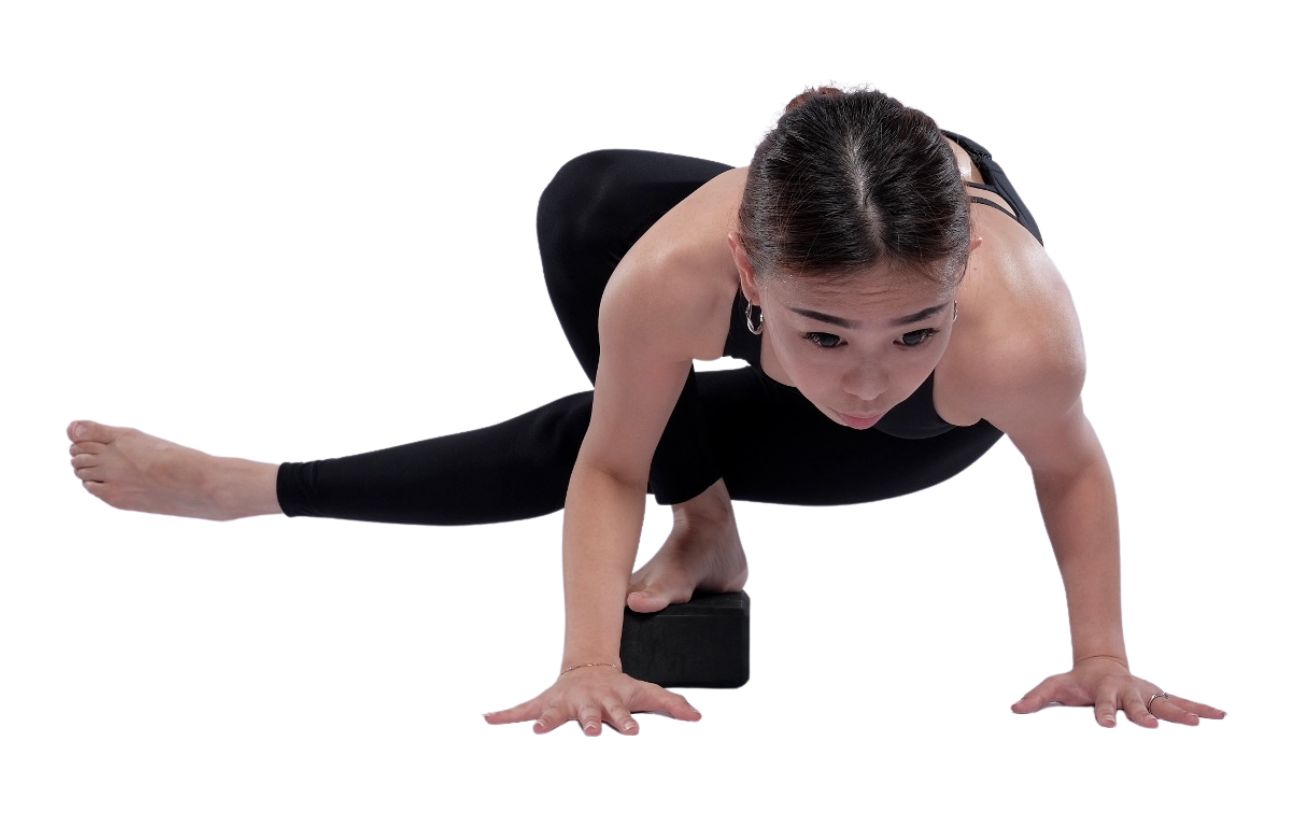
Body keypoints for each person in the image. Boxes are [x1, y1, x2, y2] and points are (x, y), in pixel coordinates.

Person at [66, 84, 1226, 735]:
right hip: (750, 246)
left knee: (595, 425)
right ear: (748, 279)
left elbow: (1069, 467)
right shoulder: (671, 279)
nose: (867, 381)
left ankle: (254, 488)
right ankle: (705, 513)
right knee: (588, 203)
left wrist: (1103, 653)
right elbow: (618, 467)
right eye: (822, 337)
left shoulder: (1012, 339)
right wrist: (585, 659)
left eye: (910, 334)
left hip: (929, 441)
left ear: (960, 278)